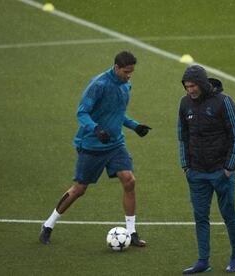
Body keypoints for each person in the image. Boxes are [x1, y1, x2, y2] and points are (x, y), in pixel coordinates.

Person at [39, 51, 151, 247]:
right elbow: (82, 113)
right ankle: (48, 225)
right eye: (126, 71)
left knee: (129, 180)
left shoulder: (126, 85)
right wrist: (96, 128)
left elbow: (117, 113)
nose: (129, 75)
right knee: (79, 189)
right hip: (92, 145)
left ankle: (132, 232)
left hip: (115, 144)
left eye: (131, 72)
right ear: (116, 67)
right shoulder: (99, 85)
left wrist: (135, 126)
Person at [178, 65, 235, 274]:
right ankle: (203, 261)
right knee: (200, 217)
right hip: (196, 173)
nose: (190, 90)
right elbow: (183, 136)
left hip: (220, 172)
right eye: (187, 86)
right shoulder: (184, 103)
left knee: (228, 214)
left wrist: (229, 168)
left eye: (193, 85)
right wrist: (185, 166)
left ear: (203, 84)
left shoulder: (224, 102)